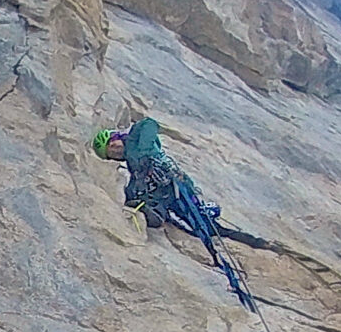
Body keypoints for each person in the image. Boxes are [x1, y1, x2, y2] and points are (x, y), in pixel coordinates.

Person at [92, 116, 252, 303]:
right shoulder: (132, 166)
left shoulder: (135, 136)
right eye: (111, 154)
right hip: (163, 194)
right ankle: (159, 214)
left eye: (112, 146)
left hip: (176, 185)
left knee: (198, 220)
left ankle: (205, 212)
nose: (116, 151)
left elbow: (149, 124)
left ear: (116, 138)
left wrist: (145, 152)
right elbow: (135, 186)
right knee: (141, 199)